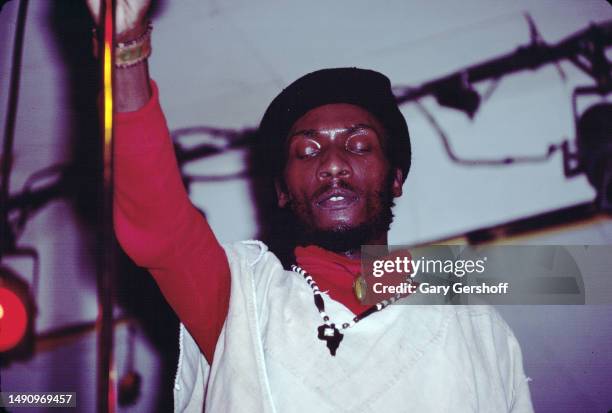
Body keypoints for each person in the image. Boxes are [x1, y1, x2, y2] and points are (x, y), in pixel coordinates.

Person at [87, 1, 534, 411]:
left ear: (396, 179)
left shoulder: (471, 321)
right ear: (282, 192)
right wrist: (125, 45)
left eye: (359, 145)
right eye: (307, 151)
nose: (333, 163)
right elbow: (158, 223)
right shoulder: (239, 297)